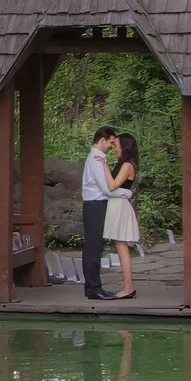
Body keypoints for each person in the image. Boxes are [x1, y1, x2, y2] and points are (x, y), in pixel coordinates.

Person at [81, 126, 120, 299]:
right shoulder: (96, 158)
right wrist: (126, 193)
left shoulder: (98, 158)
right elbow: (106, 188)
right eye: (111, 142)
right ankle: (93, 287)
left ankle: (93, 287)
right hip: (95, 204)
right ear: (102, 140)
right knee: (93, 246)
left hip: (97, 204)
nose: (112, 146)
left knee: (95, 245)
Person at [106, 132, 143, 299]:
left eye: (117, 145)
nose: (114, 149)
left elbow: (113, 185)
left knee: (121, 246)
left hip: (119, 206)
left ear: (125, 147)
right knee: (119, 246)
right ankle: (128, 286)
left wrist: (103, 165)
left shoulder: (128, 165)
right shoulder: (125, 163)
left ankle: (129, 287)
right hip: (117, 205)